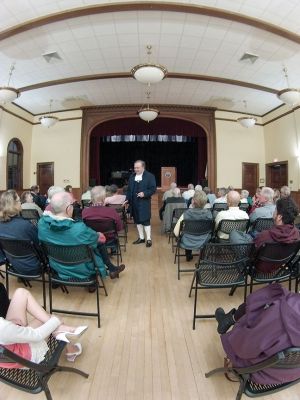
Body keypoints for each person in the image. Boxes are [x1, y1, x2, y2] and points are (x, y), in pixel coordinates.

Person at [215, 283, 300, 385]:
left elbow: (244, 349)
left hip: (261, 371)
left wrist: (239, 327)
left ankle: (228, 319)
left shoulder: (280, 314)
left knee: (256, 308)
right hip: (294, 373)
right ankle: (228, 319)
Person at [38, 192, 125, 281]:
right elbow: (97, 239)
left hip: (57, 266)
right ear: (69, 208)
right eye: (73, 204)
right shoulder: (79, 228)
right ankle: (110, 269)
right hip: (84, 270)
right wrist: (98, 235)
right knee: (97, 243)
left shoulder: (42, 224)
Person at [0, 284, 87, 365]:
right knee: (47, 319)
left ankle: (61, 331)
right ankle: (63, 334)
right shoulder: (2, 327)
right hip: (21, 358)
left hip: (6, 347)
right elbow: (37, 335)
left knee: (21, 293)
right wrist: (56, 320)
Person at [230, 197, 300, 272]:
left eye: (275, 209)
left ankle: (241, 267)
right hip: (279, 263)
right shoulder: (297, 234)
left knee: (234, 234)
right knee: (249, 235)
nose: (274, 211)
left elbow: (250, 254)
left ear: (279, 217)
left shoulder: (266, 235)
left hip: (259, 267)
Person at [0, 190, 41, 275]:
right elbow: (39, 246)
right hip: (33, 267)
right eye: (19, 201)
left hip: (13, 265)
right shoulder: (26, 225)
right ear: (13, 205)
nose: (21, 203)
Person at [173, 190, 213, 261]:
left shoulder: (186, 214)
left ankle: (188, 255)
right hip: (204, 241)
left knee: (186, 233)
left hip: (187, 241)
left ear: (193, 201)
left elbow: (176, 232)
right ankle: (202, 257)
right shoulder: (209, 214)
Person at [126, 160, 156, 248]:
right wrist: (127, 199)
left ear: (143, 167)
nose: (136, 169)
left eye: (137, 168)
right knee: (137, 220)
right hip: (134, 202)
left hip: (144, 202)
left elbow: (153, 189)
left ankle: (149, 239)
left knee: (145, 220)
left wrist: (144, 193)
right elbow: (129, 190)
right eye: (135, 167)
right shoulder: (132, 177)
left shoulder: (150, 176)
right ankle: (141, 238)